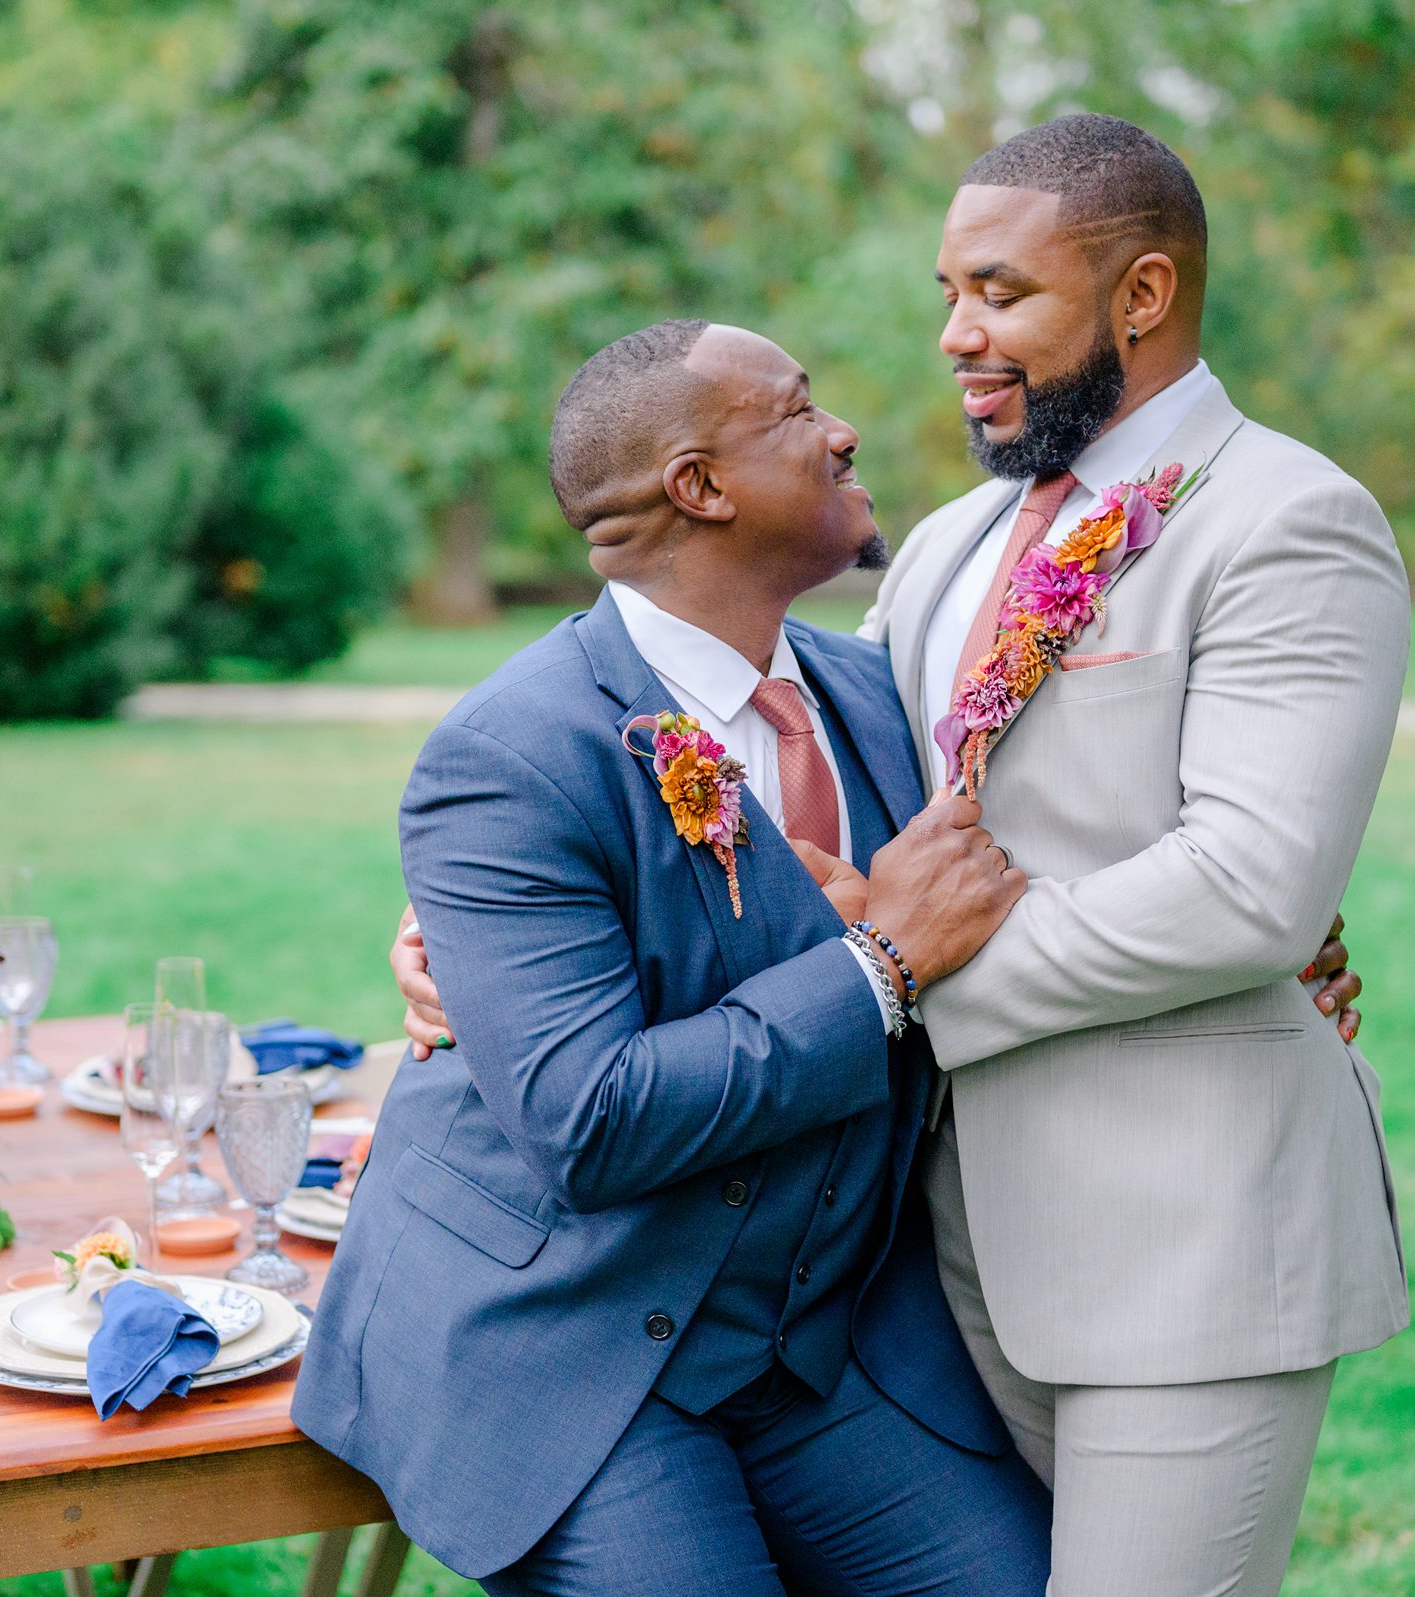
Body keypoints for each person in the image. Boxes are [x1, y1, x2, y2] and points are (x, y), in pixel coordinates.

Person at [389, 112, 1403, 1597]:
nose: (954, 336)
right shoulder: (946, 550)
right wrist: (483, 961)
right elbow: (798, 785)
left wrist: (901, 984)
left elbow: (1252, 884)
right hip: (942, 1255)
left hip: (1190, 1239)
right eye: (949, 293)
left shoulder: (1288, 518)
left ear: (1142, 295)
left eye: (1000, 294)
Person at [293, 319, 1055, 1596]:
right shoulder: (513, 755)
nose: (844, 430)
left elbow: (1029, 872)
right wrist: (879, 966)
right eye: (797, 409)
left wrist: (1266, 943)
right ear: (699, 488)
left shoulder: (877, 695)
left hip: (828, 1343)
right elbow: (585, 1119)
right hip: (575, 1345)